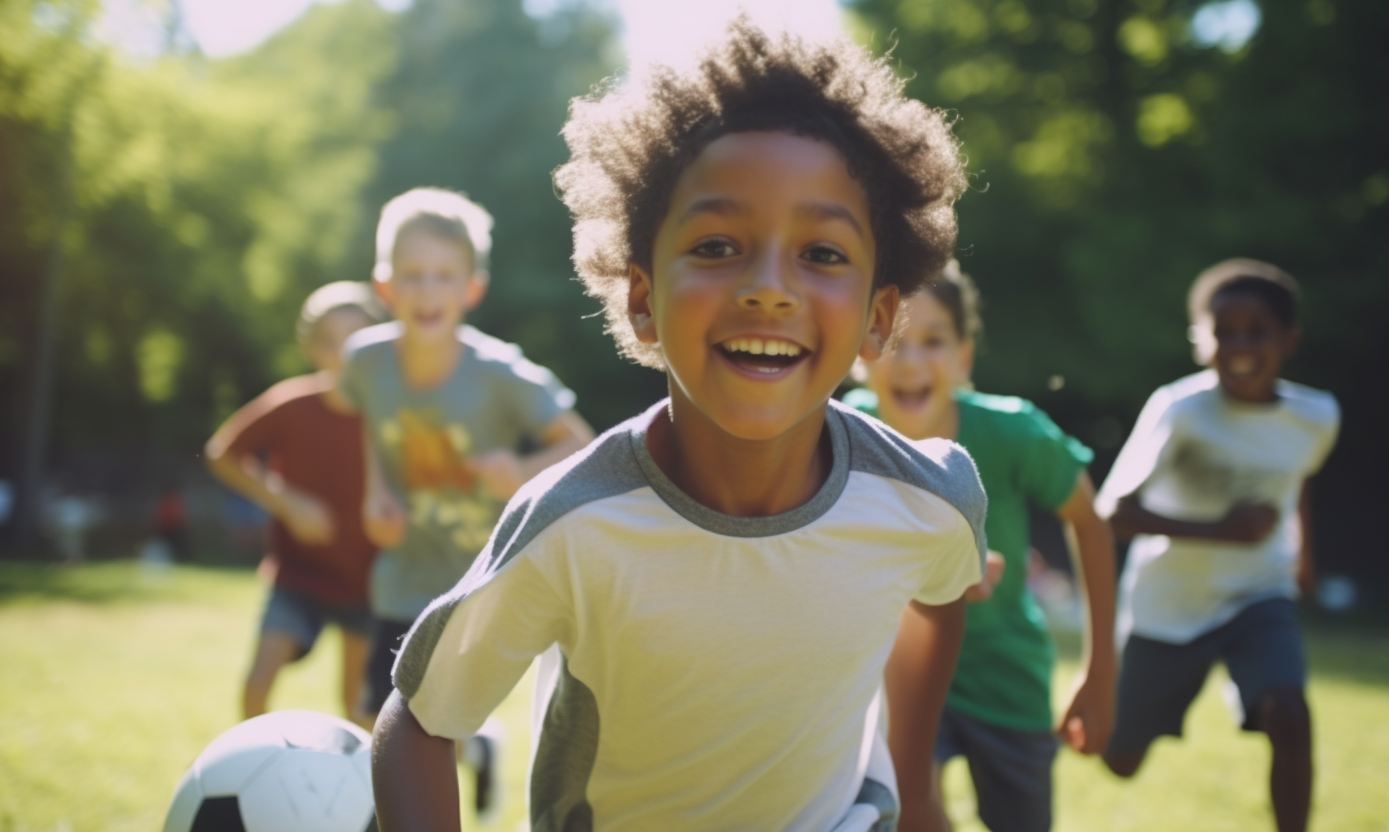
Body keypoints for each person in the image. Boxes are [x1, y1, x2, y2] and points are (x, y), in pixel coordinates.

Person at [371, 19, 988, 832]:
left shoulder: (930, 496)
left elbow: (941, 593)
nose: (770, 288)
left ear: (879, 319)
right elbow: (419, 723)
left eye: (824, 254)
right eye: (720, 244)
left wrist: (915, 792)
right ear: (641, 297)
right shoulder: (572, 523)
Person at [342, 186, 594, 817]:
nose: (428, 290)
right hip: (402, 573)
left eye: (443, 276)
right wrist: (376, 490)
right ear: (385, 283)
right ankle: (471, 755)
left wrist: (519, 467)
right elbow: (372, 427)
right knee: (376, 716)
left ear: (471, 288)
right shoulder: (365, 363)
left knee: (426, 727)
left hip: (478, 578)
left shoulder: (500, 374)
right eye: (413, 275)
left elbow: (579, 442)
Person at [844, 261, 1117, 832]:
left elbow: (1090, 524)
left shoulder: (1015, 433)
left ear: (964, 357)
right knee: (907, 809)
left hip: (1006, 679)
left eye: (934, 342)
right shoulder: (839, 437)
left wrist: (1099, 672)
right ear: (861, 351)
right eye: (894, 341)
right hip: (897, 677)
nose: (912, 361)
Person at [1095, 259, 1339, 832]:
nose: (1240, 345)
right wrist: (1221, 530)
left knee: (1291, 713)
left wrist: (1303, 551)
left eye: (1257, 331)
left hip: (1259, 590)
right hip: (1169, 604)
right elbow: (1113, 514)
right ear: (1199, 341)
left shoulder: (1318, 415)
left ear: (1289, 340)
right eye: (1223, 331)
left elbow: (1295, 475)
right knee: (1120, 760)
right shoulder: (1180, 410)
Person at [204, 281, 385, 727]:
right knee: (256, 688)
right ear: (312, 348)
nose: (342, 353)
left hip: (368, 582)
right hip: (297, 576)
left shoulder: (391, 413)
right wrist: (286, 502)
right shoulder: (290, 404)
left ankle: (364, 794)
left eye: (356, 340)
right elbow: (221, 454)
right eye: (330, 341)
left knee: (360, 710)